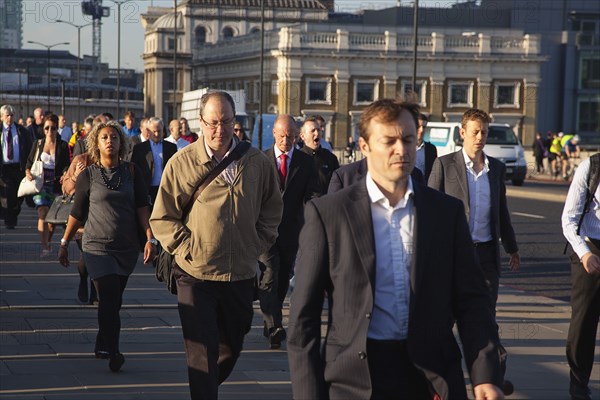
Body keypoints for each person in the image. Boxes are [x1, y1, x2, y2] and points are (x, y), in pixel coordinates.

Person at [288, 99, 503, 399]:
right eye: (388, 141)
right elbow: (303, 321)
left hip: (431, 378)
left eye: (408, 139)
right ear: (364, 146)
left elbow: (472, 300)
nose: (401, 150)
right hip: (355, 380)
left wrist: (484, 375)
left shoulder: (446, 213)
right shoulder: (328, 214)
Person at [149, 91, 283, 400]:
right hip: (195, 273)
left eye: (225, 122)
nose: (218, 130)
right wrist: (189, 247)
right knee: (200, 351)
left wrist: (257, 243)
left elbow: (273, 209)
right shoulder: (182, 162)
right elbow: (163, 217)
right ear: (200, 123)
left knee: (231, 347)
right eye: (212, 123)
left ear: (235, 123)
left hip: (240, 273)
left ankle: (206, 385)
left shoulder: (256, 162)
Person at [428, 108, 520, 395]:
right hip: (453, 256)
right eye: (475, 131)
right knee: (444, 321)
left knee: (485, 320)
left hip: (485, 256)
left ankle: (491, 378)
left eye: (484, 132)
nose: (480, 137)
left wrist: (512, 246)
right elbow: (429, 210)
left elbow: (500, 212)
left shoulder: (497, 168)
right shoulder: (444, 165)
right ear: (462, 133)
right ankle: (437, 384)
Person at [58, 120, 156, 372]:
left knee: (113, 301)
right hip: (96, 247)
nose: (109, 141)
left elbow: (142, 207)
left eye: (114, 137)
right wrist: (64, 242)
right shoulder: (88, 175)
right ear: (96, 143)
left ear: (121, 142)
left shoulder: (133, 172)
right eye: (104, 137)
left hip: (126, 247)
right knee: (110, 297)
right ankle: (114, 350)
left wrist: (150, 238)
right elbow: (78, 212)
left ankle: (103, 342)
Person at [258, 115, 319, 349]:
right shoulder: (261, 160)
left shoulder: (305, 162)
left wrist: (314, 216)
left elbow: (312, 194)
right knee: (270, 273)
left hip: (292, 231)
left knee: (282, 278)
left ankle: (270, 318)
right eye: (282, 136)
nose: (287, 140)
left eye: (292, 136)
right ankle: (274, 325)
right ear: (274, 133)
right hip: (264, 230)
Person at [561, 153, 600, 400]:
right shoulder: (591, 166)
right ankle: (578, 385)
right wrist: (585, 254)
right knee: (584, 322)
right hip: (589, 250)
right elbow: (568, 219)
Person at [25, 113, 70, 257]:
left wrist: (64, 173)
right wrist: (27, 172)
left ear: (57, 129)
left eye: (53, 128)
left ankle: (48, 242)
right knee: (42, 212)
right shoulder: (38, 144)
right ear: (43, 128)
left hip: (56, 184)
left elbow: (66, 165)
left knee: (52, 219)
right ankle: (44, 246)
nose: (50, 131)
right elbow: (29, 162)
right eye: (47, 128)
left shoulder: (63, 145)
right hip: (40, 183)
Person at [61, 150, 96, 304]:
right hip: (81, 219)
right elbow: (66, 189)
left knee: (99, 256)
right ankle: (83, 278)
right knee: (87, 254)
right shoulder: (81, 159)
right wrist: (76, 175)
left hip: (102, 219)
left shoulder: (116, 161)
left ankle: (96, 293)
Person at [130, 117, 177, 204]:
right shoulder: (140, 148)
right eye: (154, 131)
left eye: (159, 131)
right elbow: (134, 169)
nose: (156, 134)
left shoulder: (171, 147)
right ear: (148, 131)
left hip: (165, 190)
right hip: (146, 190)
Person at [1, 104, 33, 229]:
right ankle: (10, 220)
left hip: (18, 167)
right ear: (2, 117)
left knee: (19, 196)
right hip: (4, 169)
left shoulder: (21, 130)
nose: (9, 118)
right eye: (7, 115)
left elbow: (29, 148)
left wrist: (28, 166)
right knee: (8, 195)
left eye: (12, 115)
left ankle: (14, 213)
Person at [299, 117, 340, 194]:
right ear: (302, 136)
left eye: (318, 130)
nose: (317, 133)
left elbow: (338, 185)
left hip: (325, 203)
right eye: (313, 131)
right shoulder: (296, 158)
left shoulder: (330, 158)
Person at [415, 113, 437, 181]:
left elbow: (434, 173)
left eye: (424, 127)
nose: (421, 130)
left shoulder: (431, 149)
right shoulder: (404, 147)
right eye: (419, 126)